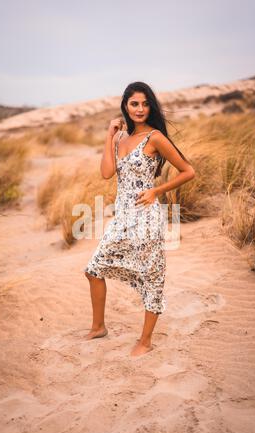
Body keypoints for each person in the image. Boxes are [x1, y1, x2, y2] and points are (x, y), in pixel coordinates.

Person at [83, 81, 195, 357]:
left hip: (146, 217)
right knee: (94, 269)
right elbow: (107, 173)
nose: (140, 109)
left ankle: (145, 341)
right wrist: (109, 136)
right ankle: (98, 327)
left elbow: (187, 171)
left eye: (145, 104)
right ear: (125, 106)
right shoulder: (120, 138)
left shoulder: (155, 137)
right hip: (122, 217)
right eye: (134, 103)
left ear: (151, 107)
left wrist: (156, 190)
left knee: (151, 276)